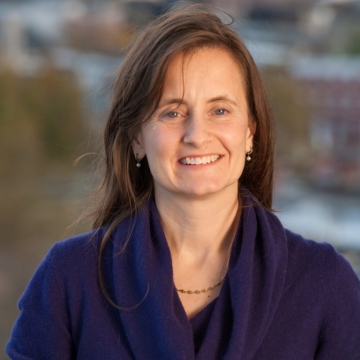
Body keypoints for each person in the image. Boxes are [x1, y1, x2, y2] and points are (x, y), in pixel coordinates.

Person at [6, 4, 360, 360]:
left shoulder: (326, 285)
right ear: (137, 139)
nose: (197, 135)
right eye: (172, 112)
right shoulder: (69, 279)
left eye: (219, 110)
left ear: (250, 132)